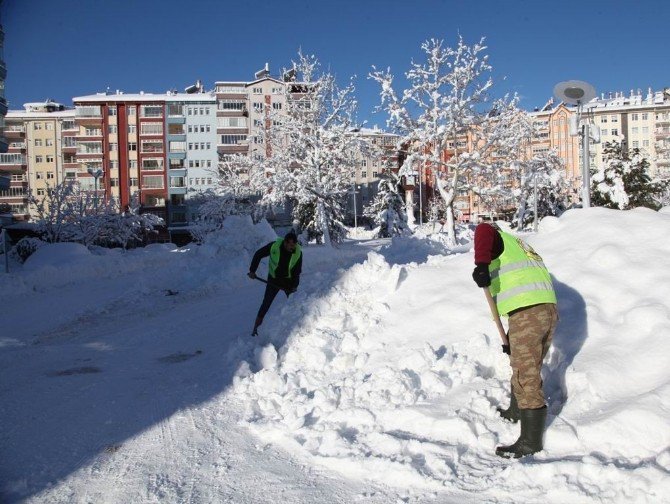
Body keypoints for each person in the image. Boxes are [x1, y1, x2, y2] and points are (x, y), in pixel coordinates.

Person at [472, 222, 558, 458]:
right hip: (546, 309)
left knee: (525, 371)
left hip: (527, 311)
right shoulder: (517, 245)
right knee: (524, 363)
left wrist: (481, 264)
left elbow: (483, 230)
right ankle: (516, 410)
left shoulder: (493, 235)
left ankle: (531, 442)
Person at [248, 232, 302, 336]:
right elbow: (258, 254)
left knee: (294, 302)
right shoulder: (274, 246)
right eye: (290, 245)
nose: (292, 247)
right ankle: (256, 328)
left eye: (294, 245)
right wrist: (252, 271)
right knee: (266, 302)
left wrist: (294, 286)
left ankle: (295, 327)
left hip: (288, 280)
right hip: (274, 278)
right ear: (285, 243)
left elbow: (297, 271)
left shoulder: (298, 252)